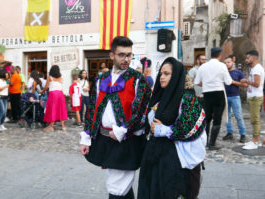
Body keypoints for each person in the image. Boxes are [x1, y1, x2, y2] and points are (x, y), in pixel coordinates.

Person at [80, 36, 151, 199]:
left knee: (117, 188)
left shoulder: (138, 80)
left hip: (127, 141)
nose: (126, 59)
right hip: (104, 140)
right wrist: (87, 137)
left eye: (129, 55)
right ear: (112, 55)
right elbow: (92, 110)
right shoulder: (100, 80)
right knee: (121, 185)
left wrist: (125, 130)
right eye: (121, 55)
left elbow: (143, 112)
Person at [138, 57, 207, 199]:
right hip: (155, 156)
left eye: (167, 74)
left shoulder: (187, 98)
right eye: (161, 73)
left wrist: (163, 130)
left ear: (176, 75)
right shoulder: (159, 96)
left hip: (175, 161)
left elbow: (190, 127)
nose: (162, 77)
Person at [194, 47, 233, 150]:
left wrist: (207, 84)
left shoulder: (203, 67)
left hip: (207, 94)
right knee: (217, 119)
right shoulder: (222, 66)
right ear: (219, 55)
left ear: (211, 54)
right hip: (218, 94)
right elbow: (228, 82)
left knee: (207, 119)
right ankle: (212, 144)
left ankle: (205, 142)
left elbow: (197, 82)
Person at [241, 50, 265, 150]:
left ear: (253, 58)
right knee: (253, 119)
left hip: (255, 97)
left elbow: (257, 84)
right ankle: (256, 139)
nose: (246, 60)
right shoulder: (254, 68)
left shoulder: (257, 69)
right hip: (253, 96)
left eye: (248, 58)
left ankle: (256, 141)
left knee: (255, 120)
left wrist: (246, 80)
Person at [222, 56, 247, 143]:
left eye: (228, 62)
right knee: (227, 117)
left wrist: (234, 82)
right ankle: (229, 133)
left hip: (235, 97)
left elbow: (244, 85)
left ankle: (243, 134)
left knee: (238, 116)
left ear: (232, 62)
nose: (227, 64)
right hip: (225, 97)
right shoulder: (223, 73)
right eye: (225, 63)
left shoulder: (238, 72)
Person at [41, 65, 68, 131]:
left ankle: (51, 126)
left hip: (53, 94)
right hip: (60, 94)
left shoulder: (49, 77)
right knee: (61, 109)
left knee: (53, 109)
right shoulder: (61, 78)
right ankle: (63, 125)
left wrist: (42, 91)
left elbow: (46, 87)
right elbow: (61, 86)